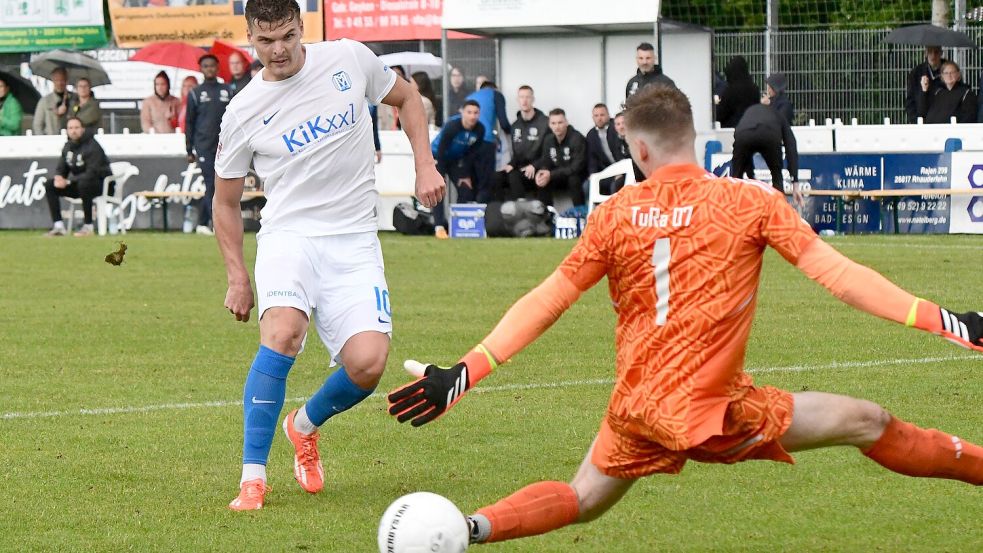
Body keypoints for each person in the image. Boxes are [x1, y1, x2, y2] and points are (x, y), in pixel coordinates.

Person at [386, 84, 983, 548]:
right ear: (693, 137)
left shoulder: (614, 215)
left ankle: (467, 529)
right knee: (868, 420)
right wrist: (946, 320)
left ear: (638, 148)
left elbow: (546, 302)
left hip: (638, 408)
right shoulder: (751, 202)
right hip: (712, 409)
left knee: (583, 494)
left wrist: (463, 372)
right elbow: (842, 279)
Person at [212, 0, 444, 511]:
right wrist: (236, 277)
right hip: (289, 237)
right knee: (283, 333)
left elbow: (409, 100)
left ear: (302, 28)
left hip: (354, 239)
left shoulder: (348, 58)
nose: (278, 50)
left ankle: (304, 426)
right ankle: (253, 479)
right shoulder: (243, 111)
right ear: (250, 36)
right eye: (265, 40)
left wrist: (424, 167)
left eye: (288, 36)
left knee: (368, 364)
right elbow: (225, 204)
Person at [185, 54, 232, 235]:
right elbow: (189, 122)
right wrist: (189, 149)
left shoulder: (228, 90)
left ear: (218, 68)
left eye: (212, 66)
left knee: (222, 185)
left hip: (226, 145)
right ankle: (214, 223)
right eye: (206, 66)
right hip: (204, 146)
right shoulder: (195, 93)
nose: (209, 69)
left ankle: (204, 223)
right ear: (200, 69)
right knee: (211, 184)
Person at [43, 117, 111, 237]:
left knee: (85, 184)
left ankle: (88, 226)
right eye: (70, 128)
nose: (73, 131)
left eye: (76, 127)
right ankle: (58, 227)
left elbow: (93, 173)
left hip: (99, 185)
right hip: (78, 184)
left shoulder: (93, 146)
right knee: (50, 184)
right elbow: (62, 167)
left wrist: (68, 181)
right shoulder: (68, 146)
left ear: (82, 129)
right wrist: (59, 177)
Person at [430, 100, 485, 238]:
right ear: (462, 112)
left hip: (455, 160)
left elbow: (471, 154)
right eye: (469, 112)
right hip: (437, 156)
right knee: (439, 191)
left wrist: (465, 173)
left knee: (465, 189)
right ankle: (439, 227)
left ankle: (457, 224)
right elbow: (441, 150)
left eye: (476, 113)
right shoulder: (452, 126)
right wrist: (440, 174)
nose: (472, 116)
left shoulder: (480, 130)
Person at [731, 102, 801, 204]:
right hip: (769, 135)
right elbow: (791, 147)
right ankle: (779, 209)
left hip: (743, 134)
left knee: (736, 180)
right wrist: (795, 181)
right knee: (777, 175)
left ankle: (733, 209)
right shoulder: (779, 116)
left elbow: (744, 152)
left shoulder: (749, 112)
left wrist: (751, 176)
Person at [466, 81, 512, 204]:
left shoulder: (470, 97)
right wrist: (513, 132)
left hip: (467, 144)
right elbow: (503, 122)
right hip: (485, 142)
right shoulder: (496, 95)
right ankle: (484, 216)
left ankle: (471, 215)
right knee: (485, 183)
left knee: (472, 182)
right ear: (495, 88)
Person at [533, 108, 586, 208]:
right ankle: (547, 216)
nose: (557, 127)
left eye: (560, 122)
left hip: (576, 175)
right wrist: (542, 172)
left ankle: (580, 214)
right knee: (542, 180)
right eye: (553, 123)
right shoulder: (548, 139)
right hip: (558, 175)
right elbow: (546, 161)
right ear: (549, 125)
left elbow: (576, 167)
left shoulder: (577, 138)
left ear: (566, 122)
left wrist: (551, 174)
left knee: (573, 180)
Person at [505, 85, 550, 202]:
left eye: (527, 97)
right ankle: (518, 211)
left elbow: (549, 152)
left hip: (541, 168)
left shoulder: (545, 123)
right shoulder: (515, 126)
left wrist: (535, 166)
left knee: (542, 178)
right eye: (521, 97)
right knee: (502, 177)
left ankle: (545, 215)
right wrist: (510, 164)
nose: (524, 101)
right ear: (517, 100)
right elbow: (518, 154)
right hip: (523, 170)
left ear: (533, 99)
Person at [715, 56, 760, 128]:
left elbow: (721, 114)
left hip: (732, 130)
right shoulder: (755, 89)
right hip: (752, 128)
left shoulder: (730, 91)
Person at [906, 46, 946, 123]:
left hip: (943, 120)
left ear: (941, 53)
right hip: (922, 119)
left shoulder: (949, 70)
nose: (933, 56)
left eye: (936, 52)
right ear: (926, 53)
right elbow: (910, 100)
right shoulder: (916, 72)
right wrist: (916, 120)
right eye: (930, 52)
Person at [33, 67, 75, 135]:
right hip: (51, 140)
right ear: (52, 80)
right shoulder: (45, 101)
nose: (60, 83)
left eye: (62, 80)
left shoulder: (74, 98)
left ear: (66, 80)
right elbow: (37, 125)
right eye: (57, 80)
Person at [585, 103, 618, 176]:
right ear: (593, 118)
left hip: (622, 168)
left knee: (615, 185)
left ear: (608, 115)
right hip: (606, 171)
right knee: (587, 185)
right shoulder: (591, 135)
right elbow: (592, 158)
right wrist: (592, 175)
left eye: (602, 115)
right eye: (596, 116)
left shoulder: (616, 127)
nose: (599, 118)